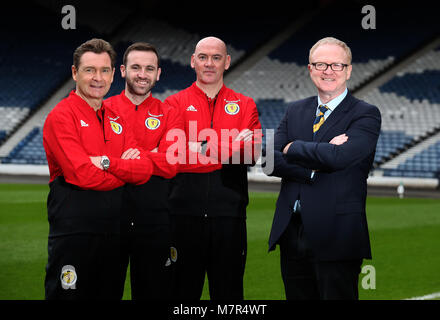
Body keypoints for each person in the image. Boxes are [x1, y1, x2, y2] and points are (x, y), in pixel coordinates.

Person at [43, 38, 162, 299]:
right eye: (90, 70)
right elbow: (82, 174)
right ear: (75, 73)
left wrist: (107, 163)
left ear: (112, 75)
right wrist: (124, 171)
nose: (98, 78)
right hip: (75, 233)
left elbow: (142, 170)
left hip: (114, 233)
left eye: (104, 70)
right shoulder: (62, 116)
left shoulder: (116, 117)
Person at [266, 37, 381, 300]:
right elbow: (268, 161)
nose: (327, 71)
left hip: (336, 232)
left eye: (336, 65)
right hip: (291, 231)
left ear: (348, 70)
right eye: (320, 64)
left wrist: (292, 147)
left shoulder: (365, 113)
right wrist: (314, 167)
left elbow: (340, 158)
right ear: (310, 69)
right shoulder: (295, 110)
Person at [164, 36, 262, 300]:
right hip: (182, 217)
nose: (209, 63)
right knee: (181, 295)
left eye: (216, 57)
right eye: (203, 57)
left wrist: (198, 145)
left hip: (229, 217)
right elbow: (173, 154)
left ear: (227, 62)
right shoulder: (173, 104)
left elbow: (251, 153)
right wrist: (229, 144)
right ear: (193, 61)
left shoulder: (245, 104)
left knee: (229, 296)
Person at [105, 42, 180, 299]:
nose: (142, 74)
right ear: (123, 70)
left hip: (155, 221)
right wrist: (153, 154)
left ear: (158, 74)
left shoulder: (171, 113)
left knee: (153, 293)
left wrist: (129, 157)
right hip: (108, 220)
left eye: (149, 68)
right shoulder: (102, 109)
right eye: (136, 67)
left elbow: (171, 164)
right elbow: (98, 158)